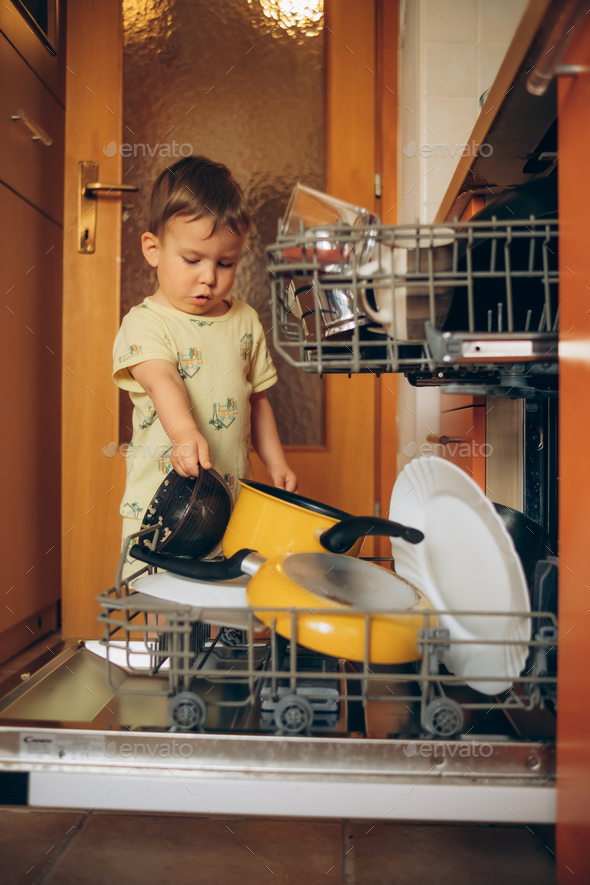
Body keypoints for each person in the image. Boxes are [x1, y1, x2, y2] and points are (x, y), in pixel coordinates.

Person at [113, 156, 297, 574]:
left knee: (225, 589)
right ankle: (164, 641)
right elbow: (162, 380)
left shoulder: (245, 320)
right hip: (165, 503)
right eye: (193, 260)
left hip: (231, 500)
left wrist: (276, 462)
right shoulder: (145, 322)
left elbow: (259, 401)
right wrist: (184, 433)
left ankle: (223, 641)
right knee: (163, 598)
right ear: (153, 250)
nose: (209, 277)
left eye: (225, 263)